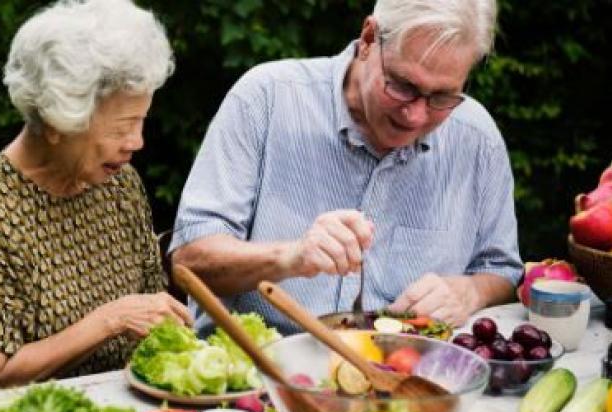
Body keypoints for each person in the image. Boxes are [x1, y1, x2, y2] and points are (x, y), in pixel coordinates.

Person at [170, 0, 523, 336]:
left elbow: (500, 270)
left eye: (442, 97)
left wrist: (470, 292)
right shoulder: (266, 99)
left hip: (402, 377)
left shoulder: (476, 137)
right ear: (369, 39)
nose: (415, 115)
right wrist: (290, 256)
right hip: (256, 375)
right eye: (402, 86)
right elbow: (190, 259)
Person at [0, 0, 191, 396]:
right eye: (122, 127)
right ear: (57, 121)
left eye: (142, 121)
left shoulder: (119, 186)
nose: (137, 142)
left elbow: (151, 311)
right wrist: (109, 320)